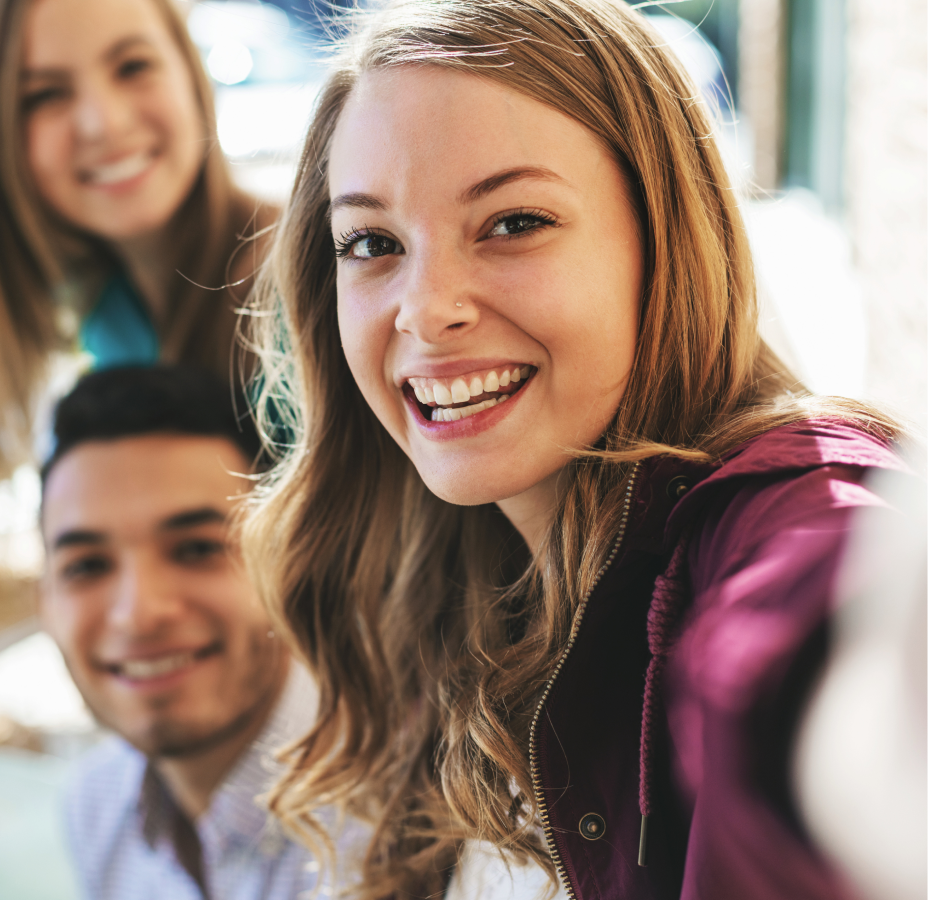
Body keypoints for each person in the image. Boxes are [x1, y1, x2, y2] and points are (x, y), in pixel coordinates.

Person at [240, 1, 905, 898]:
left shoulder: (792, 512)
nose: (426, 308)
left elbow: (825, 605)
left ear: (665, 236)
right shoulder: (431, 586)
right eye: (371, 243)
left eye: (513, 223)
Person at [0, 0, 272, 485]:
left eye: (134, 66)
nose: (103, 123)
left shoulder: (312, 265)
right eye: (45, 95)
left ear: (190, 71)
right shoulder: (86, 274)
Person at [38, 365, 347, 900]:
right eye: (87, 565)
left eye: (197, 549)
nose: (138, 614)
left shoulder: (401, 831)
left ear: (289, 564)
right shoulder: (93, 802)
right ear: (43, 598)